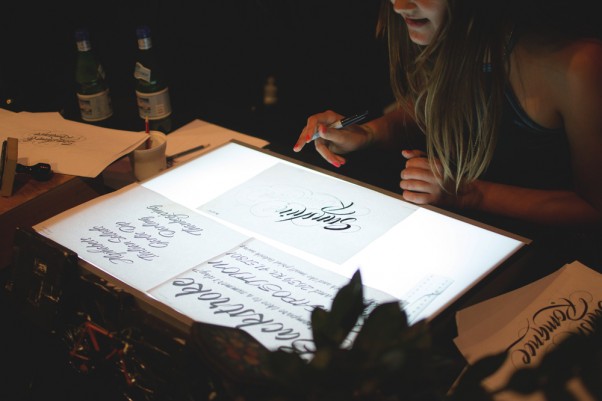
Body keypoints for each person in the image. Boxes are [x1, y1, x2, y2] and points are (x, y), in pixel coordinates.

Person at [293, 0, 602, 268]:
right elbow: (429, 107)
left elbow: (594, 210)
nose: (399, 6)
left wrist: (468, 193)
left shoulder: (577, 65)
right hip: (471, 246)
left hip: (558, 265)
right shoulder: (452, 36)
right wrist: (369, 132)